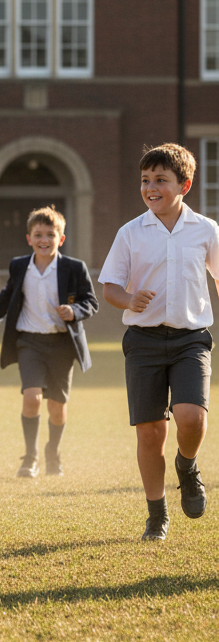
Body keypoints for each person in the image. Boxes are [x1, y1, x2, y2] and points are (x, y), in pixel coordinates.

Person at [99, 143, 219, 542]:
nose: (151, 187)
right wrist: (129, 299)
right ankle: (157, 515)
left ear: (184, 184)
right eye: (145, 181)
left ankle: (187, 466)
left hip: (191, 339)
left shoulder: (206, 230)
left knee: (192, 418)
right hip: (144, 342)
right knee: (150, 433)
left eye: (160, 180)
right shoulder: (130, 233)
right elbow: (111, 287)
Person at [0, 206, 97, 478]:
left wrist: (74, 311)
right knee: (32, 398)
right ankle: (30, 457)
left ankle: (52, 452)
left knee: (57, 408)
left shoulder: (74, 268)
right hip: (29, 342)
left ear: (61, 239)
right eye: (38, 234)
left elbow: (91, 302)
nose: (44, 240)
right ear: (29, 238)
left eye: (50, 234)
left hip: (61, 345)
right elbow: (6, 295)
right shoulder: (19, 265)